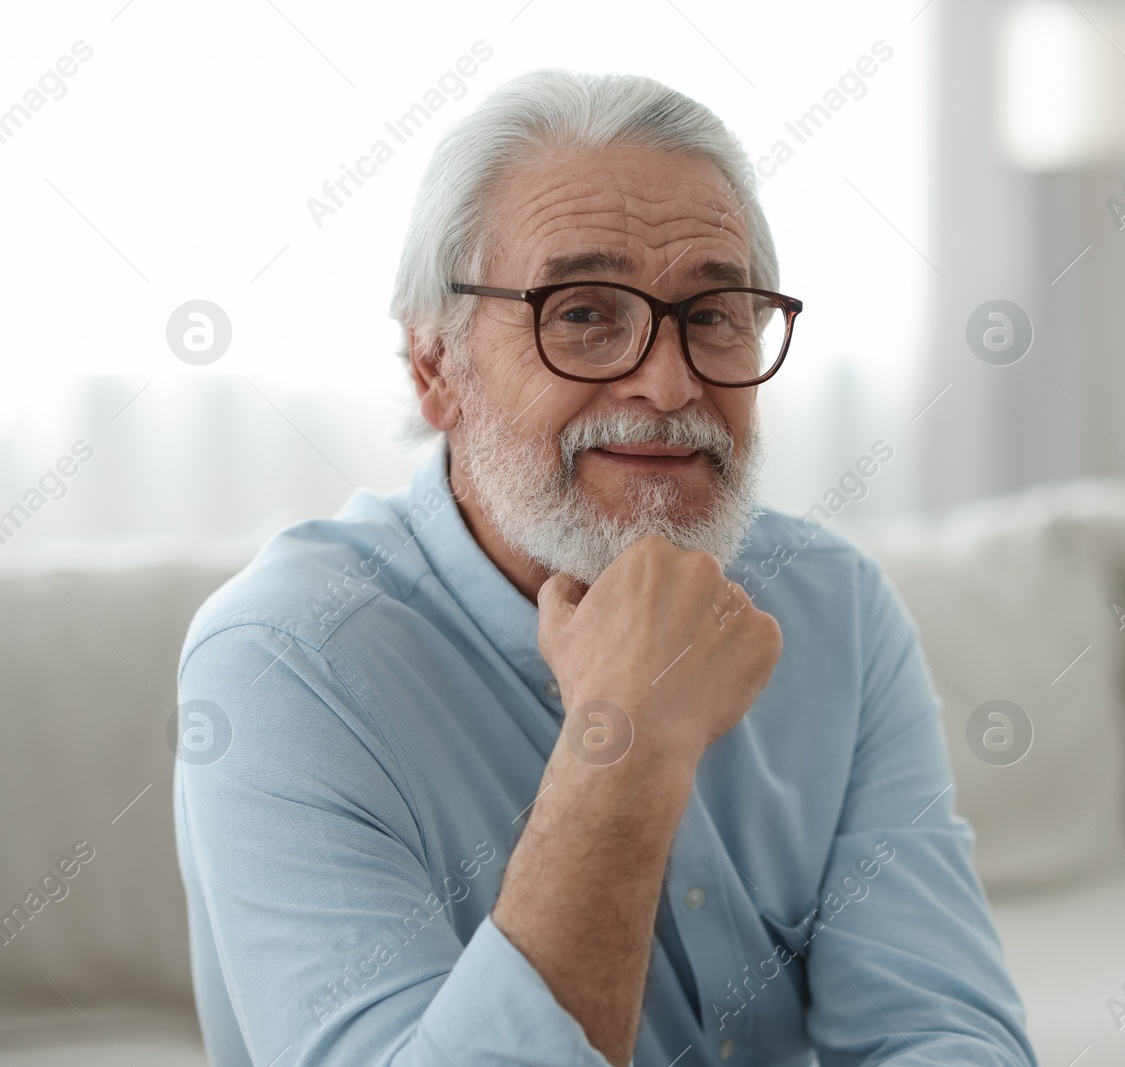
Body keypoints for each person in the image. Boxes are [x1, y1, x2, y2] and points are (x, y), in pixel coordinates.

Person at [173, 68, 1037, 1067]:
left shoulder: (835, 602)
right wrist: (624, 747)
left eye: (715, 313)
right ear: (435, 366)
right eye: (583, 313)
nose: (669, 383)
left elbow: (941, 1032)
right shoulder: (282, 662)